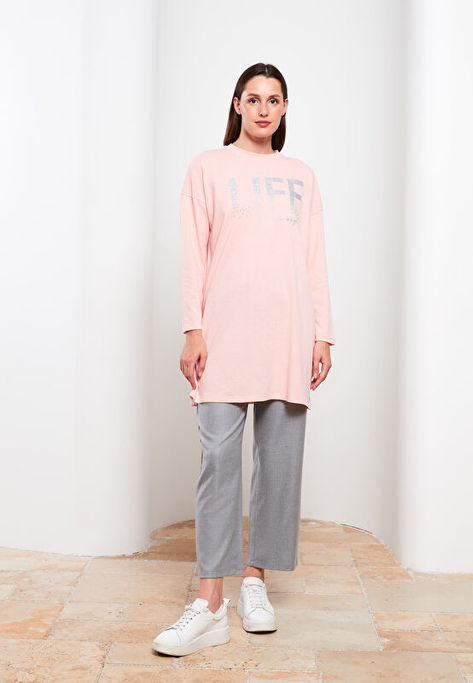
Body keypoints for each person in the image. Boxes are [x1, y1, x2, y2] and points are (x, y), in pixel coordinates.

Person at [152, 62, 335, 657]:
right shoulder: (208, 168)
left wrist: (323, 334)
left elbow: (314, 259)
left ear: (285, 109)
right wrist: (193, 329)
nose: (263, 110)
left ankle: (255, 582)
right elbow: (194, 256)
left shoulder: (300, 176)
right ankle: (210, 603)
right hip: (223, 333)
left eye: (273, 100)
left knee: (280, 465)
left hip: (288, 333)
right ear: (237, 104)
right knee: (219, 464)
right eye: (253, 99)